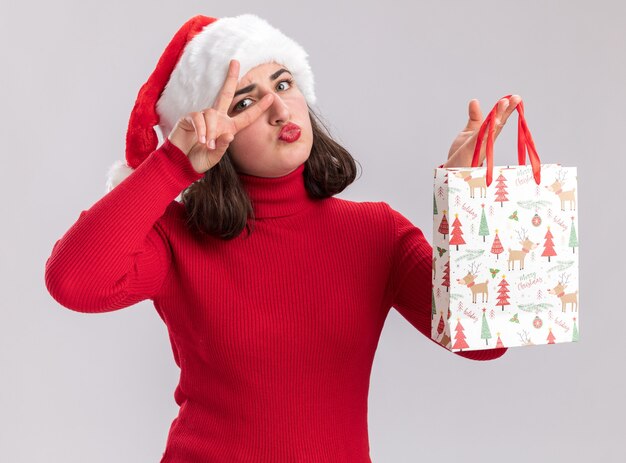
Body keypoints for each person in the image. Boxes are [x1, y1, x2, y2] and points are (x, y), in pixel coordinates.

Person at [44, 13, 520, 463]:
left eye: (284, 83)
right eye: (245, 103)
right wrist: (172, 165)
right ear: (214, 131)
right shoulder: (177, 238)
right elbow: (74, 283)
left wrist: (469, 198)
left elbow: (485, 342)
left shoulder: (378, 233)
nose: (277, 108)